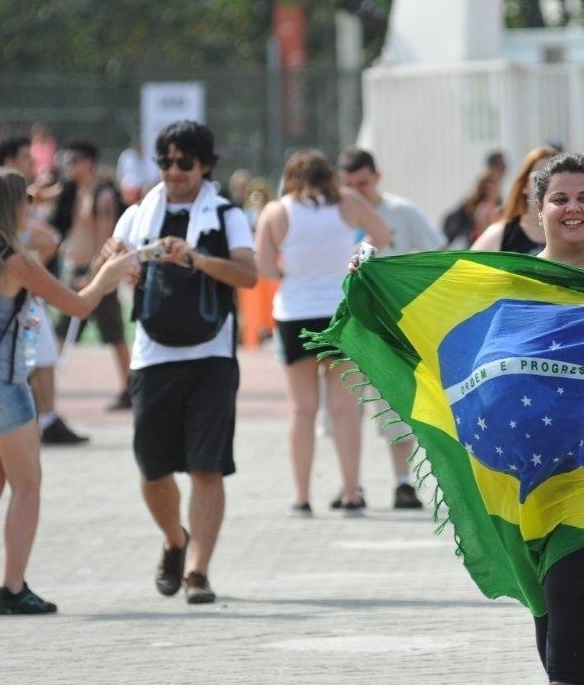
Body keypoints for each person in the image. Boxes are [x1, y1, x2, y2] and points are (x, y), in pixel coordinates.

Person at [349, 152, 584, 685]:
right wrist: (373, 286)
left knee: (576, 596)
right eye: (559, 198)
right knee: (547, 604)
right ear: (536, 210)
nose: (572, 209)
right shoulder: (507, 279)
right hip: (517, 479)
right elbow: (438, 326)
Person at [0, 168, 135, 614]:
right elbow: (78, 304)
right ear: (11, 207)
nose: (31, 207)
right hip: (3, 388)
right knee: (27, 484)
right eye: (24, 200)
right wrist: (109, 274)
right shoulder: (14, 261)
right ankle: (12, 588)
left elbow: (48, 248)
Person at [102, 121, 258, 604]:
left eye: (184, 162)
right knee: (152, 469)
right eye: (165, 162)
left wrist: (198, 259)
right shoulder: (137, 214)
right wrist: (115, 259)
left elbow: (249, 275)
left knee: (207, 468)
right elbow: (107, 266)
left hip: (212, 356)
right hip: (152, 355)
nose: (173, 171)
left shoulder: (226, 215)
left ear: (205, 165)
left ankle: (198, 572)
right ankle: (175, 539)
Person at [254, 149, 391, 517]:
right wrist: (357, 258)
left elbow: (263, 267)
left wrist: (288, 275)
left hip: (294, 312)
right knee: (345, 410)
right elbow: (382, 234)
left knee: (302, 410)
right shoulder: (348, 202)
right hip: (339, 311)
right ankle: (350, 493)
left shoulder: (276, 211)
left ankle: (301, 497)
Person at [337, 146, 444, 508]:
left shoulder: (402, 211)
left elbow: (436, 254)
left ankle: (402, 482)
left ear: (377, 178)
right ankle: (350, 485)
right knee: (345, 407)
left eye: (363, 183)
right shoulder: (336, 215)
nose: (357, 191)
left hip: (393, 323)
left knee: (396, 402)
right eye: (349, 184)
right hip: (349, 322)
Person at [0, 135, 86, 446]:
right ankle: (39, 419)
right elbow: (80, 304)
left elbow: (46, 239)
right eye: (25, 157)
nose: (33, 163)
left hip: (22, 293)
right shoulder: (0, 198)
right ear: (9, 162)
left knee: (41, 353)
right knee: (32, 355)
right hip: (9, 297)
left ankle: (44, 418)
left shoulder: (20, 195)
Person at [49, 140, 131, 412]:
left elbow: (106, 240)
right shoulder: (75, 192)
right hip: (75, 271)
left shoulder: (102, 195)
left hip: (94, 275)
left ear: (88, 163)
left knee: (113, 333)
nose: (68, 167)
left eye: (74, 161)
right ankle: (43, 389)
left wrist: (94, 275)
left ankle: (129, 388)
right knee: (60, 331)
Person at [471, 145, 558, 254]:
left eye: (555, 178)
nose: (547, 186)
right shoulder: (500, 235)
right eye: (539, 178)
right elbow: (465, 264)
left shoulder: (572, 234)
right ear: (525, 185)